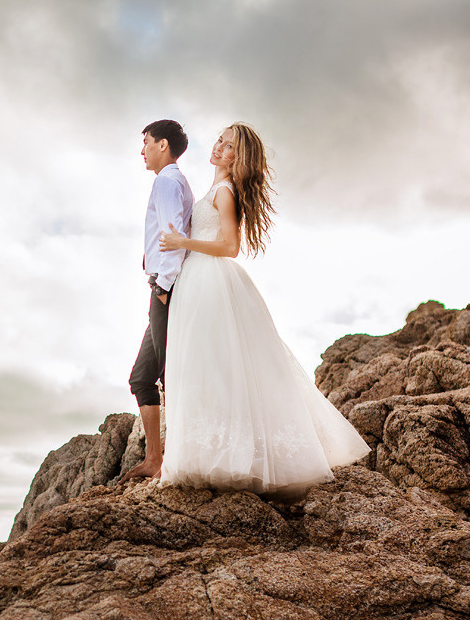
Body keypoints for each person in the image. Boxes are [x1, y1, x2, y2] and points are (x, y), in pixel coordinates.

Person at [157, 123, 370, 494]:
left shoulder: (225, 192)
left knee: (219, 365)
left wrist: (182, 240)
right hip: (197, 280)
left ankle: (230, 455)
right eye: (220, 140)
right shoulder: (213, 189)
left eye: (228, 146)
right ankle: (205, 452)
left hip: (212, 280)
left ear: (237, 158)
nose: (219, 146)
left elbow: (230, 246)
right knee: (203, 365)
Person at [119, 119, 195, 484]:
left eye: (146, 142)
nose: (143, 150)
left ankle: (179, 458)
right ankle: (154, 458)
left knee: (170, 374)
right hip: (162, 287)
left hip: (166, 288)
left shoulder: (166, 181)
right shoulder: (172, 181)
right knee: (142, 377)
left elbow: (173, 236)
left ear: (163, 144)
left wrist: (163, 286)